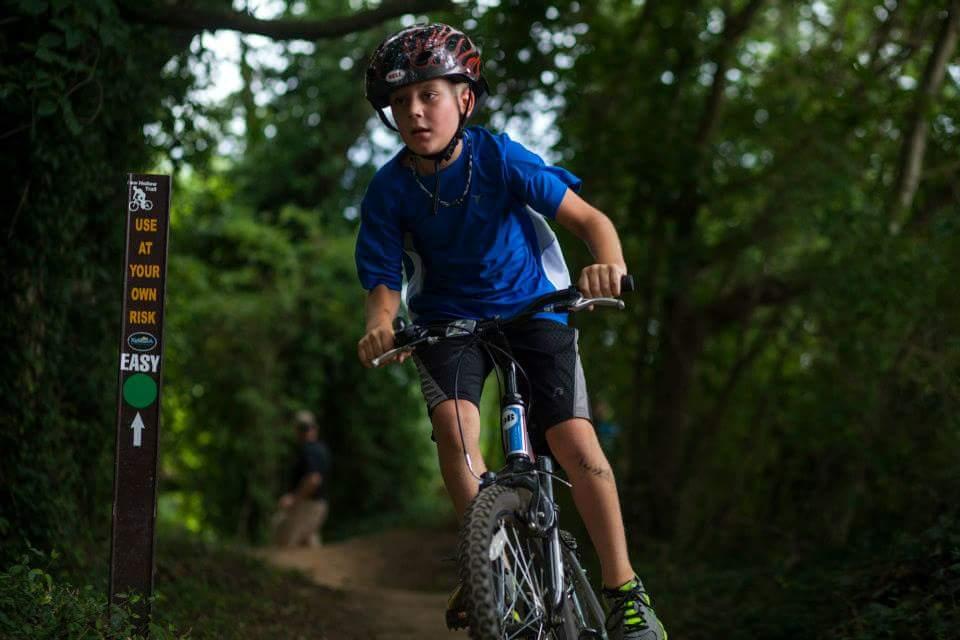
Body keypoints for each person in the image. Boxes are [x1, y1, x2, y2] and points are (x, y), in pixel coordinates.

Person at [354, 23, 667, 640]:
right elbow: (383, 283)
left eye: (430, 95)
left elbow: (590, 220)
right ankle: (489, 559)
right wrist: (381, 325)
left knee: (574, 441)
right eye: (400, 102)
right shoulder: (390, 189)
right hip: (448, 323)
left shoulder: (500, 157)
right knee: (455, 428)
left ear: (464, 99)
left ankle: (624, 589)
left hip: (535, 308)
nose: (414, 112)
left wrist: (610, 264)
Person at [271, 410, 331, 548]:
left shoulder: (310, 450)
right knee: (307, 544)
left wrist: (293, 499)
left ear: (315, 428)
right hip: (316, 505)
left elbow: (313, 479)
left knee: (283, 538)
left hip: (308, 505)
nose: (305, 432)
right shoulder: (320, 450)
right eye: (302, 428)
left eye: (307, 428)